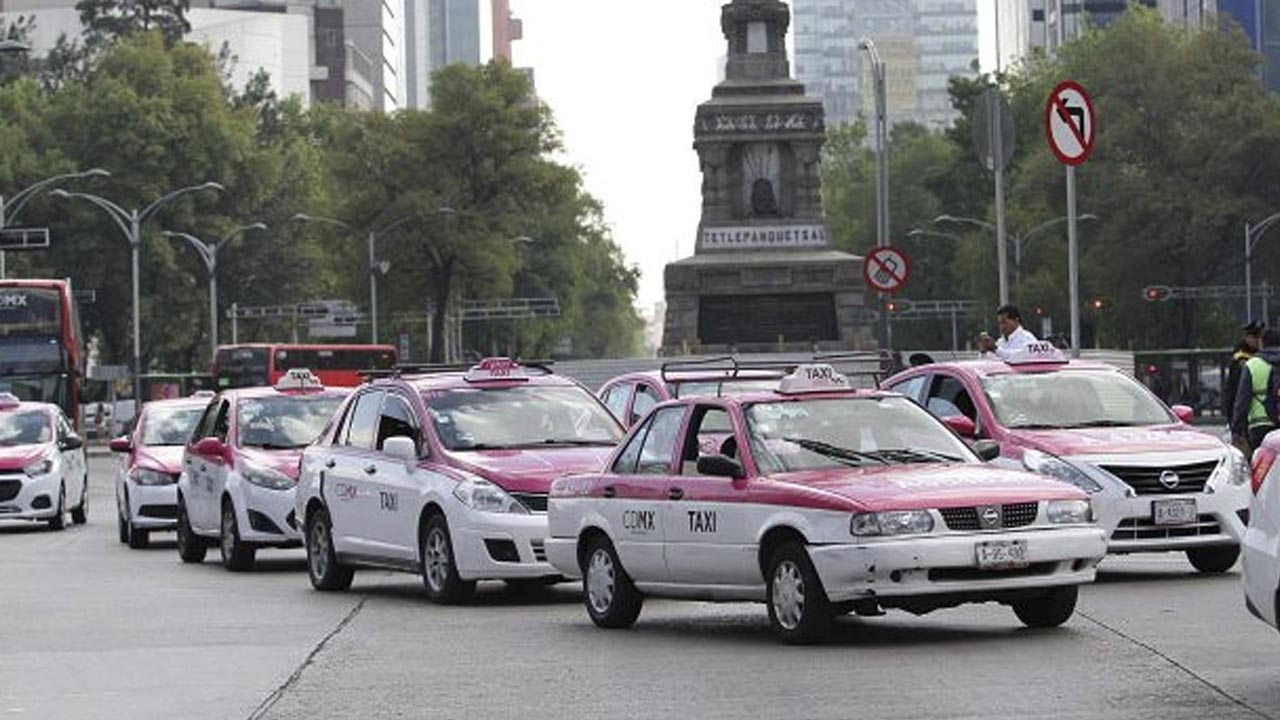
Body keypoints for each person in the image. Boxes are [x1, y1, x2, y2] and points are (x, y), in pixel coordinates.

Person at [1232, 327, 1280, 455]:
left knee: (1262, 468)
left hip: (1260, 426)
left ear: (1262, 343)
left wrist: (1236, 428)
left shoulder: (1252, 364)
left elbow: (1242, 401)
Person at [1224, 321, 1263, 452]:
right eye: (1256, 338)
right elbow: (1236, 393)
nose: (1259, 342)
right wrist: (1235, 423)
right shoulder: (1241, 360)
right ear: (1248, 338)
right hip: (1245, 420)